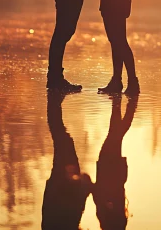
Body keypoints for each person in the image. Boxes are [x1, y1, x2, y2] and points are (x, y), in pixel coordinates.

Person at [41, 92, 93, 229]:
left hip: (63, 187)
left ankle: (53, 98)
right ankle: (53, 99)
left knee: (63, 140)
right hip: (59, 189)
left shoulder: (69, 223)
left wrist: (86, 186)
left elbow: (76, 206)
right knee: (62, 139)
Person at [92, 95, 138, 229]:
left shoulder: (116, 219)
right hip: (109, 170)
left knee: (115, 133)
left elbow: (98, 195)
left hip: (117, 173)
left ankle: (122, 104)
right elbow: (99, 195)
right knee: (116, 134)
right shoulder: (107, 216)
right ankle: (127, 104)